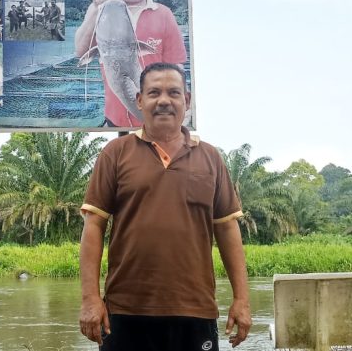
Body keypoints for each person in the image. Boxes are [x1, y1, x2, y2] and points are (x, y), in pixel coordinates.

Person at [79, 62, 251, 351]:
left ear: (187, 100)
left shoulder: (210, 158)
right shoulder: (115, 154)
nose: (163, 101)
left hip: (195, 310)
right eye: (154, 92)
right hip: (125, 311)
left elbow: (227, 229)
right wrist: (90, 299)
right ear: (139, 100)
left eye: (173, 92)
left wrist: (242, 300)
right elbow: (93, 226)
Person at [74, 0, 187, 128]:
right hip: (114, 123)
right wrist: (96, 7)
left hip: (157, 122)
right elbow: (80, 51)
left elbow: (177, 70)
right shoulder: (99, 8)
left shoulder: (164, 14)